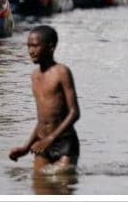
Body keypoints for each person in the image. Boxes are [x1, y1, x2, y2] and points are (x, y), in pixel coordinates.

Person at [9, 26, 81, 174]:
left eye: (35, 46)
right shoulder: (35, 76)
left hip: (63, 142)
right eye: (28, 46)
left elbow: (74, 112)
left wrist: (51, 139)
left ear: (51, 47)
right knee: (39, 186)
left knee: (62, 182)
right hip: (42, 143)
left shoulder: (62, 72)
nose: (30, 51)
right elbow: (42, 120)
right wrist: (25, 148)